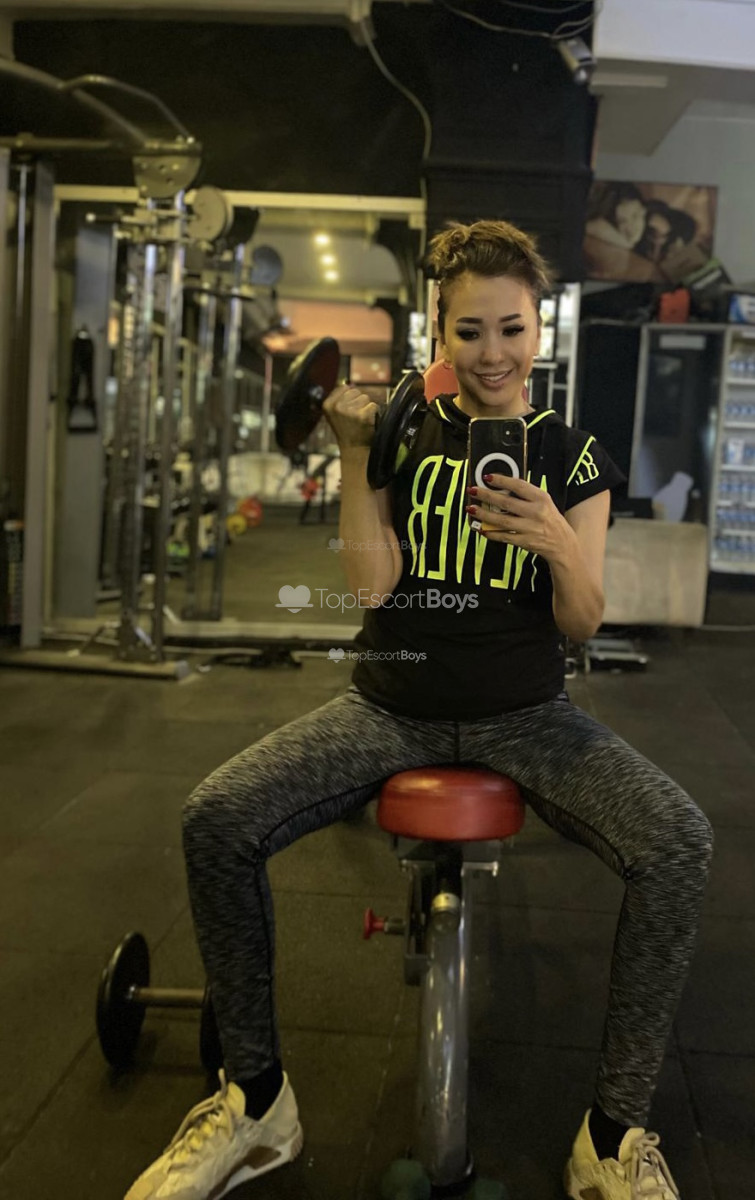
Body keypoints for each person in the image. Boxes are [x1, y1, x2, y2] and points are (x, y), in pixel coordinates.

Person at [124, 220, 712, 1200]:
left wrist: (554, 542)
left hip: (528, 717)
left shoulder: (571, 458)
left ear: (538, 331)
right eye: (469, 331)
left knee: (678, 840)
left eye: (510, 329)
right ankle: (256, 1101)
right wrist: (359, 457)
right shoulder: (398, 432)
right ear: (439, 331)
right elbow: (369, 587)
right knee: (216, 816)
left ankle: (611, 1136)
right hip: (387, 710)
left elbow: (580, 621)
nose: (492, 353)